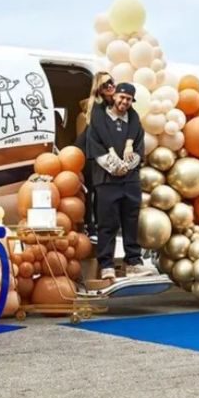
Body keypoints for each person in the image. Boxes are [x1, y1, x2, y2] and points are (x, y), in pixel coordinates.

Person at [86, 82, 154, 280]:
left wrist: (127, 165)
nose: (124, 102)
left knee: (131, 221)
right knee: (108, 223)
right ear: (114, 96)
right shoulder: (99, 121)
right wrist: (114, 166)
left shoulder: (134, 124)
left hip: (130, 181)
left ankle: (133, 262)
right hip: (106, 180)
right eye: (121, 97)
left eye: (128, 99)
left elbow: (139, 150)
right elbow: (95, 147)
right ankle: (106, 264)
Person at [75, 72, 117, 241]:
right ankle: (90, 226)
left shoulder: (111, 104)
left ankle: (97, 226)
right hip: (89, 151)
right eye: (106, 84)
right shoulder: (97, 106)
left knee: (99, 190)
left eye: (112, 83)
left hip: (99, 150)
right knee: (92, 189)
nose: (110, 86)